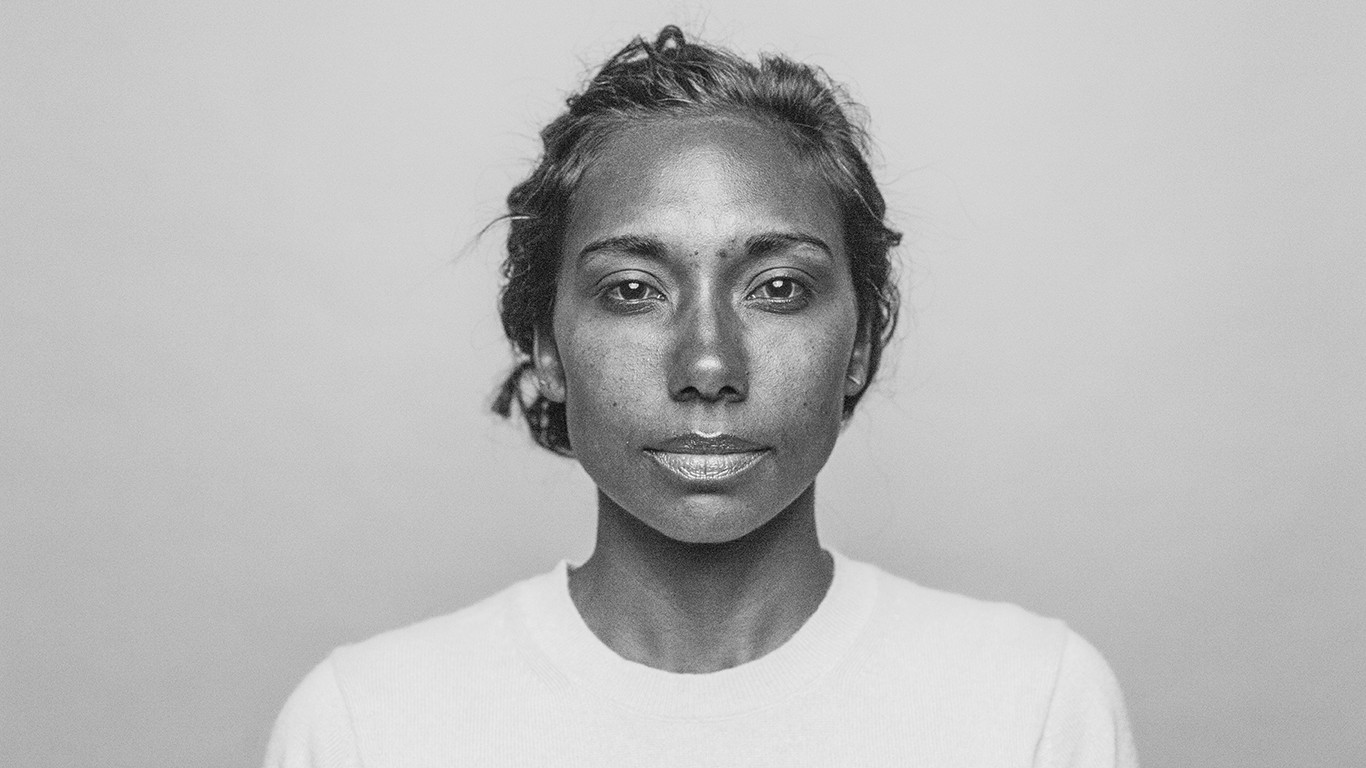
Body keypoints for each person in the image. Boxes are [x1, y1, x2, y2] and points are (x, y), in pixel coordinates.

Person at [263, 26, 1139, 767]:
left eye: (779, 288)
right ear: (545, 346)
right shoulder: (365, 728)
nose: (710, 364)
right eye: (634, 290)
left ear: (862, 343)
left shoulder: (1033, 706)